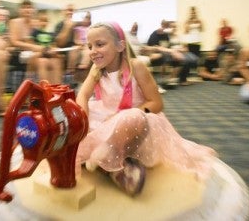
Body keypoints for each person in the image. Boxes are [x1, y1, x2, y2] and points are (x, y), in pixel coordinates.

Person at [76, 22, 217, 196]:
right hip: (105, 114)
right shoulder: (96, 69)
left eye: (100, 44)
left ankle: (107, 159)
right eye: (89, 46)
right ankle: (113, 166)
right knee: (75, 117)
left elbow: (156, 103)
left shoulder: (136, 66)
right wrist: (81, 120)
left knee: (132, 117)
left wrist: (121, 117)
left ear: (120, 45)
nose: (93, 51)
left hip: (137, 121)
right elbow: (82, 96)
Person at [31, 10, 63, 84]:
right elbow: (32, 45)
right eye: (41, 21)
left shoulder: (51, 34)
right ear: (38, 21)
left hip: (49, 55)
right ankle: (45, 89)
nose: (43, 23)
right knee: (43, 61)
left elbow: (53, 45)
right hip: (39, 55)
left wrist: (55, 50)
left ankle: (57, 88)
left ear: (48, 22)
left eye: (45, 21)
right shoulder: (35, 32)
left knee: (56, 62)